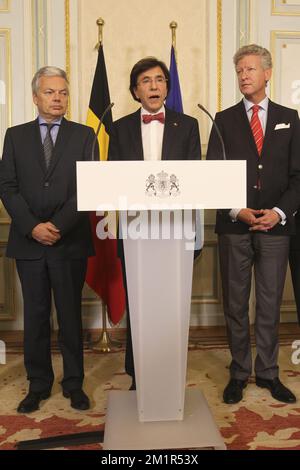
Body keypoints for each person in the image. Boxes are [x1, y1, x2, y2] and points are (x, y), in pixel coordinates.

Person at [206, 44, 300, 404]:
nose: (244, 76)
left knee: (269, 302)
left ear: (267, 73)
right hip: (235, 226)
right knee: (234, 303)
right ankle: (239, 371)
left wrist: (278, 212)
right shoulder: (223, 119)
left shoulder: (289, 117)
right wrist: (237, 210)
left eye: (250, 70)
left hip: (276, 227)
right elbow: (213, 176)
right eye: (239, 71)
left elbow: (297, 176)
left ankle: (268, 373)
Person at [0, 67, 96, 412]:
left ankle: (74, 384)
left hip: (68, 241)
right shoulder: (15, 135)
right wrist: (32, 227)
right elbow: (7, 187)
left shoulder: (85, 135)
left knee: (70, 317)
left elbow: (89, 187)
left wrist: (57, 225)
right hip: (29, 242)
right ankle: (38, 384)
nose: (58, 98)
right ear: (35, 97)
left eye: (64, 93)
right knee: (36, 317)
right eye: (51, 92)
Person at [108, 57, 201, 389]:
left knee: (170, 305)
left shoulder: (188, 125)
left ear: (167, 87)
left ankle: (169, 370)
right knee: (140, 305)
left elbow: (194, 180)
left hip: (174, 231)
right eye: (146, 81)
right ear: (135, 90)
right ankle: (137, 373)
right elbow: (112, 179)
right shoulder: (117, 128)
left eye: (160, 80)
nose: (154, 86)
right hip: (135, 232)